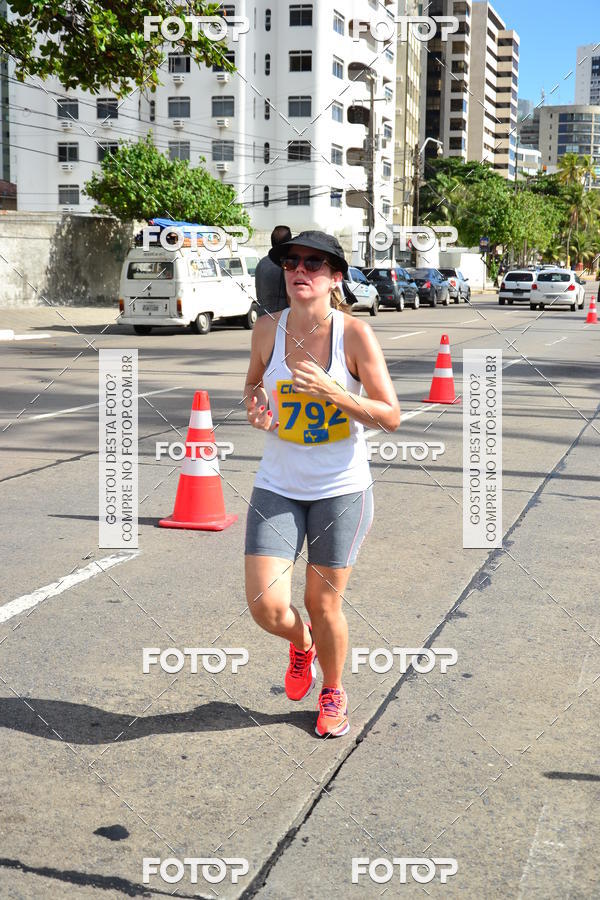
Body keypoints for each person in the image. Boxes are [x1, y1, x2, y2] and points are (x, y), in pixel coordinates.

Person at [243, 230, 401, 737]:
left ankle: (333, 690)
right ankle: (302, 644)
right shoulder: (267, 329)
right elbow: (251, 384)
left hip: (341, 488)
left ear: (336, 278)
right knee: (266, 607)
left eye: (315, 263)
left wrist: (335, 392)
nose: (300, 269)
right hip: (278, 485)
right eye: (292, 261)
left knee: (322, 601)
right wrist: (256, 406)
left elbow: (390, 415)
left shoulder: (354, 335)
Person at [254, 225, 292, 318]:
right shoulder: (287, 264)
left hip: (263, 318)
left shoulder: (261, 263)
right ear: (289, 242)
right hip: (282, 320)